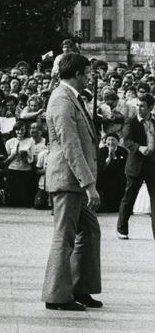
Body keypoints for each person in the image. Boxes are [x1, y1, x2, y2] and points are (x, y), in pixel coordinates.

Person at [42, 53, 103, 312]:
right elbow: (70, 145)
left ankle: (80, 286)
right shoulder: (61, 99)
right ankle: (56, 295)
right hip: (69, 180)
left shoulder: (71, 98)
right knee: (64, 236)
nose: (89, 77)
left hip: (75, 180)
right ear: (77, 74)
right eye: (87, 73)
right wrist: (89, 184)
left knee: (89, 231)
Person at [115, 93, 155, 240]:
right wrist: (140, 148)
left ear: (150, 107)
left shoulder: (154, 122)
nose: (139, 108)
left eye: (143, 106)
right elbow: (127, 141)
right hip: (136, 164)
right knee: (129, 197)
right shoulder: (130, 122)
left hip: (152, 165)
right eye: (138, 105)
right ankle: (122, 229)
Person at [97, 133, 128, 213]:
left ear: (117, 141)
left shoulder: (123, 151)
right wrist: (108, 159)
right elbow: (100, 168)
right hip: (104, 179)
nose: (110, 142)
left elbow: (123, 167)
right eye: (108, 140)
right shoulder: (101, 151)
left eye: (113, 140)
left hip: (118, 180)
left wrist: (114, 157)